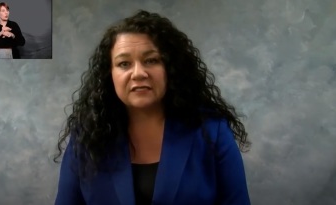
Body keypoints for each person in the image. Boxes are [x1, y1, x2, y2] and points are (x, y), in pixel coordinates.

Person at [54, 10, 251, 205]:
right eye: (124, 64)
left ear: (171, 68)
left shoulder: (212, 130)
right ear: (109, 75)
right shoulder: (87, 136)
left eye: (152, 60)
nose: (138, 73)